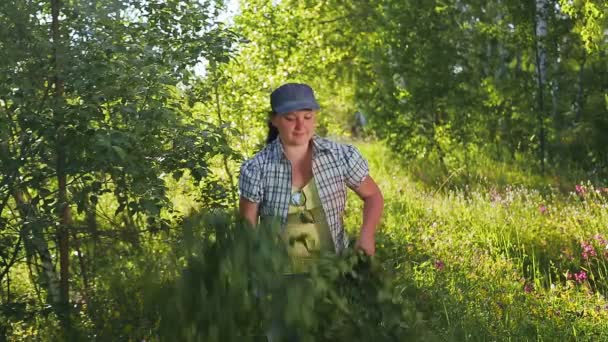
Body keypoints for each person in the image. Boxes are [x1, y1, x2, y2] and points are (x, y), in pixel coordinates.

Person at [238, 83, 383, 271]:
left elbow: (373, 196)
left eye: (307, 117)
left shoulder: (340, 156)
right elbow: (247, 230)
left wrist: (367, 235)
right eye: (290, 119)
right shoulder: (256, 169)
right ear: (274, 120)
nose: (300, 126)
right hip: (278, 278)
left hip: (333, 272)